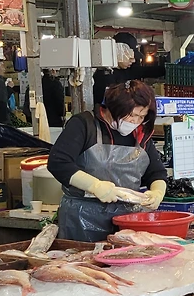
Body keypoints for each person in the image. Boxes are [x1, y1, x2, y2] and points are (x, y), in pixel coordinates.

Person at [47, 80, 166, 242]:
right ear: (115, 107)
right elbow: (59, 162)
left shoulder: (141, 134)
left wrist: (157, 192)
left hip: (126, 221)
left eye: (141, 116)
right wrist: (95, 186)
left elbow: (156, 172)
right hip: (82, 219)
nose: (135, 121)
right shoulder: (84, 124)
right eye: (131, 115)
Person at [92, 33, 165, 104]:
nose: (133, 61)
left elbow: (145, 71)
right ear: (118, 52)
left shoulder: (127, 70)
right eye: (130, 58)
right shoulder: (104, 74)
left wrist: (166, 69)